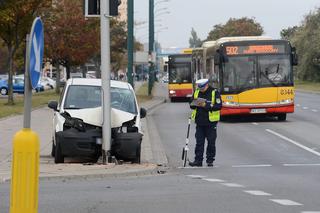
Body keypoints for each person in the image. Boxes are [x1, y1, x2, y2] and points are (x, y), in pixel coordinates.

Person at [189, 79, 222, 167]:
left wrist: (205, 105)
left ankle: (210, 160)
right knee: (199, 142)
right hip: (199, 122)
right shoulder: (197, 92)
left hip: (211, 123)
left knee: (211, 142)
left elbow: (218, 106)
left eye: (202, 87)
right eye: (199, 87)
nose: (200, 89)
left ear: (207, 85)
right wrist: (194, 104)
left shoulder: (214, 92)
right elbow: (191, 104)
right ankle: (198, 161)